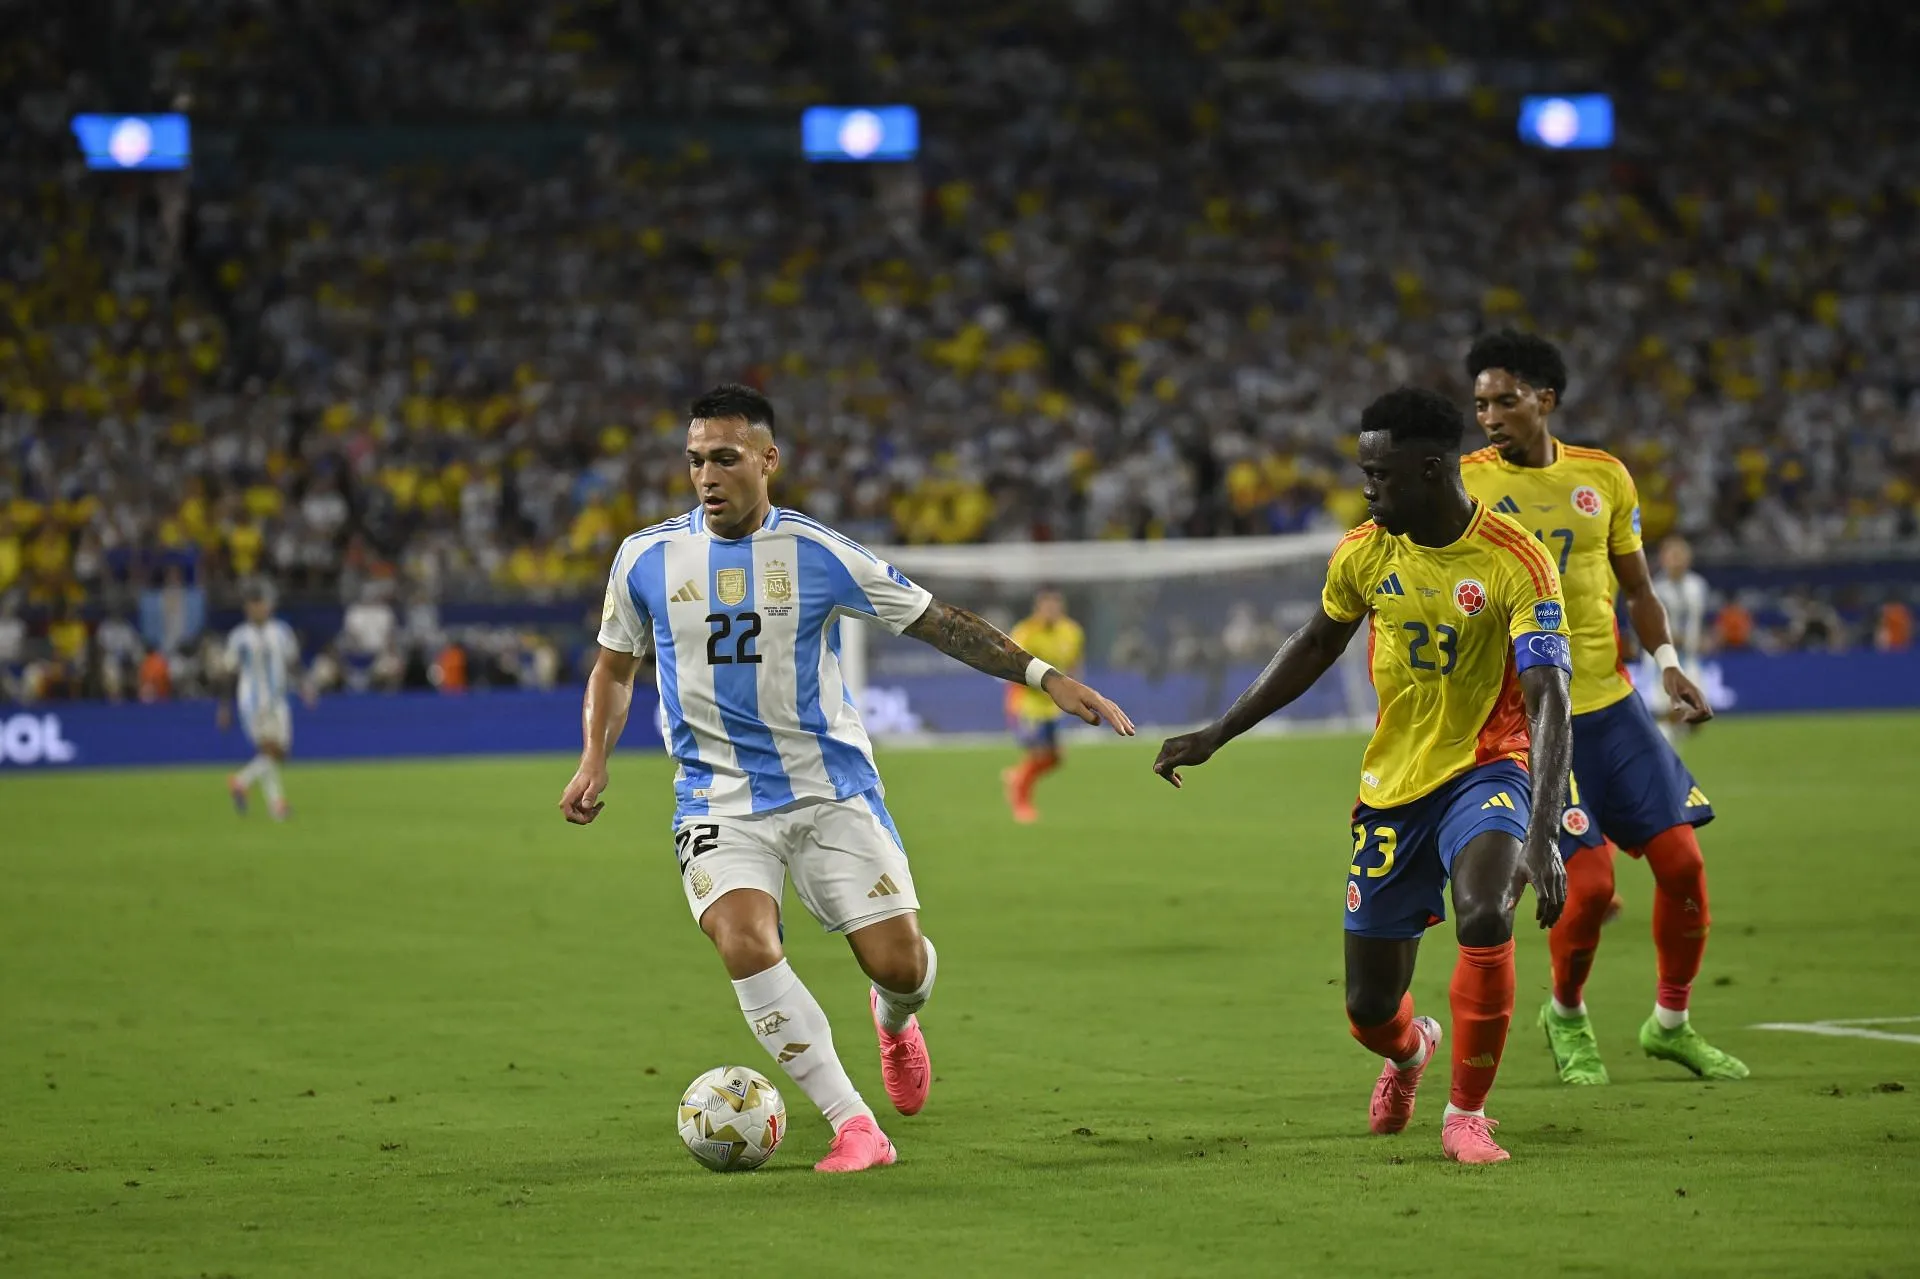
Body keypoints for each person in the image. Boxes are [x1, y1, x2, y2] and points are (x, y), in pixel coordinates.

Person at [559, 384, 1135, 1173]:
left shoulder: (820, 554)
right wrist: (595, 755)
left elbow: (937, 620)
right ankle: (854, 1124)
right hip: (716, 798)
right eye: (695, 461)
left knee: (899, 965)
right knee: (743, 939)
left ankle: (895, 1020)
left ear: (768, 460)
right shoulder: (646, 557)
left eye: (725, 458)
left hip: (830, 790)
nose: (706, 476)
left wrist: (1042, 674)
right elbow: (615, 668)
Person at [1153, 387, 1572, 1165]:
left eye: (1379, 474)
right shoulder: (1364, 551)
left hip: (1488, 767)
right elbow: (1315, 645)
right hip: (1392, 788)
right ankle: (1411, 1052)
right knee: (1369, 1006)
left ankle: (1467, 1114)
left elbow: (1550, 699)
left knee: (1486, 911)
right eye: (1363, 473)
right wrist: (1219, 731)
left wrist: (1544, 829)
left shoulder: (1517, 560)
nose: (1367, 488)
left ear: (1430, 468)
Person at [1463, 328, 1749, 1086]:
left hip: (1612, 700)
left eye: (1506, 400)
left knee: (1684, 863)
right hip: (1534, 717)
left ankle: (1672, 1023)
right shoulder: (1465, 486)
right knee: (1588, 891)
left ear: (1545, 401)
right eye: (1481, 403)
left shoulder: (1604, 479)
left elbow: (1639, 589)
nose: (1490, 416)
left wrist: (1670, 665)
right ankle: (1565, 1012)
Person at [217, 580, 311, 821]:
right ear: (247, 608)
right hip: (252, 702)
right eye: (254, 604)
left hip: (278, 700)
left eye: (262, 603)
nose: (259, 608)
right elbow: (228, 671)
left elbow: (293, 663)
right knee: (271, 750)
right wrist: (224, 705)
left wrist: (304, 686)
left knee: (278, 753)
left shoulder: (281, 632)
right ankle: (273, 803)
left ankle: (245, 783)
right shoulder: (239, 637)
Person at [1001, 587, 1086, 823]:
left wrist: (1075, 694)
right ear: (1037, 609)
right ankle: (1021, 802)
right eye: (1046, 606)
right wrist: (1012, 705)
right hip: (1027, 704)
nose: (1051, 611)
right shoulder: (1025, 632)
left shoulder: (1071, 632)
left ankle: (1017, 775)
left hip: (1052, 706)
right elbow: (1011, 667)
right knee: (1038, 754)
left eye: (1055, 606)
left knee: (1056, 758)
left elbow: (1074, 664)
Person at [1650, 536, 1711, 746]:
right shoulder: (1656, 589)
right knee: (1669, 711)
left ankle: (1667, 750)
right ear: (1663, 559)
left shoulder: (1698, 586)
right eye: (1672, 555)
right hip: (1664, 660)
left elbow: (1698, 618)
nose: (1677, 560)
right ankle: (1664, 755)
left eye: (1681, 555)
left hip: (1691, 658)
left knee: (1698, 716)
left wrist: (1702, 638)